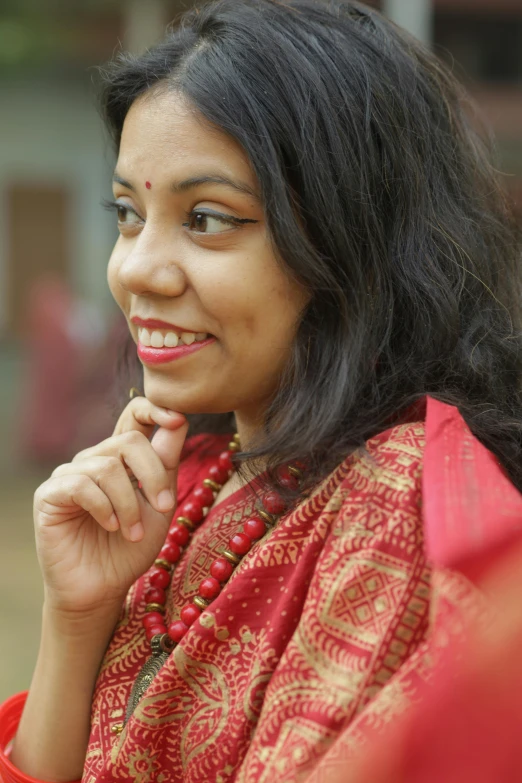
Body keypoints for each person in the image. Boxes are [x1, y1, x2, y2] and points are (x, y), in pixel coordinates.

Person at [1, 0, 521, 781]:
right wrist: (75, 618)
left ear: (348, 243)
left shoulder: (397, 507)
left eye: (207, 218)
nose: (137, 267)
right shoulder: (199, 476)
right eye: (128, 213)